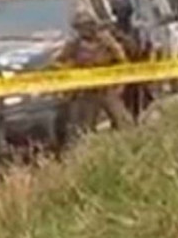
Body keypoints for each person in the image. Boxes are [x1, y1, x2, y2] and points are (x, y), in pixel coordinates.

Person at [54, 10, 133, 141]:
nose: (84, 30)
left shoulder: (106, 40)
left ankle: (130, 141)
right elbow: (58, 62)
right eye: (80, 27)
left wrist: (120, 83)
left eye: (86, 25)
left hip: (106, 88)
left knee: (122, 120)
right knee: (84, 125)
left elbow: (122, 59)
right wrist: (69, 70)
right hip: (86, 90)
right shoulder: (74, 44)